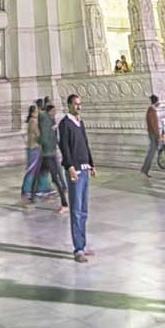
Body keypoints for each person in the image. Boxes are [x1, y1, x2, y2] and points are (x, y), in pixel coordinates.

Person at [58, 94, 96, 263]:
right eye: (76, 104)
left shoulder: (80, 122)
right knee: (76, 209)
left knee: (84, 210)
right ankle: (78, 249)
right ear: (69, 105)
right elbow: (64, 147)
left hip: (85, 168)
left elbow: (85, 143)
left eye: (80, 104)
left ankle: (83, 243)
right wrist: (70, 167)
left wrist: (91, 164)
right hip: (75, 170)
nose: (79, 107)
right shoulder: (65, 124)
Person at [33, 103, 68, 213]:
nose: (55, 112)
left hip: (47, 154)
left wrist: (38, 141)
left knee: (53, 178)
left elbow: (43, 137)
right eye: (54, 110)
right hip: (49, 153)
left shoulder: (46, 120)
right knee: (40, 175)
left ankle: (64, 204)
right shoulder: (49, 121)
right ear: (50, 111)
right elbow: (52, 137)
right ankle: (33, 196)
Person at [20, 105, 42, 201]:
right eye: (37, 111)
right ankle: (26, 191)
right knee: (31, 170)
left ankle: (33, 190)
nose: (38, 113)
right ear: (33, 112)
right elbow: (38, 134)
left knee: (35, 170)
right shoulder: (33, 122)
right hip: (33, 149)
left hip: (35, 148)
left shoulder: (32, 121)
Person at [141, 95, 161, 178]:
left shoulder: (152, 110)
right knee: (151, 152)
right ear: (156, 102)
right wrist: (158, 136)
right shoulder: (151, 111)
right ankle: (145, 170)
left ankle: (145, 170)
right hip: (153, 134)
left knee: (152, 151)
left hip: (153, 134)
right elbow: (153, 125)